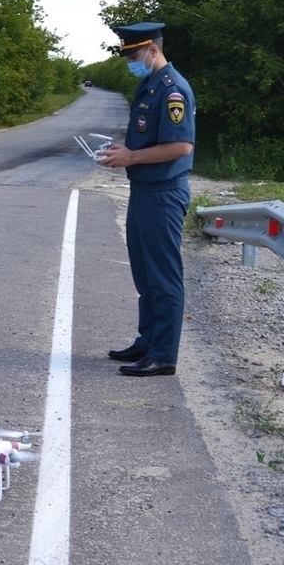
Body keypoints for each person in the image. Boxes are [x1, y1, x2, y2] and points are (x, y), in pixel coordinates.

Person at [98, 22, 196, 377]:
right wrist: (124, 151)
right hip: (144, 191)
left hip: (163, 194)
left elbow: (181, 146)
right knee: (145, 275)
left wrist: (132, 158)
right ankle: (148, 341)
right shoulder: (148, 85)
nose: (132, 62)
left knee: (163, 278)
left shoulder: (173, 91)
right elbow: (147, 139)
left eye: (135, 55)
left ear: (153, 50)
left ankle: (163, 355)